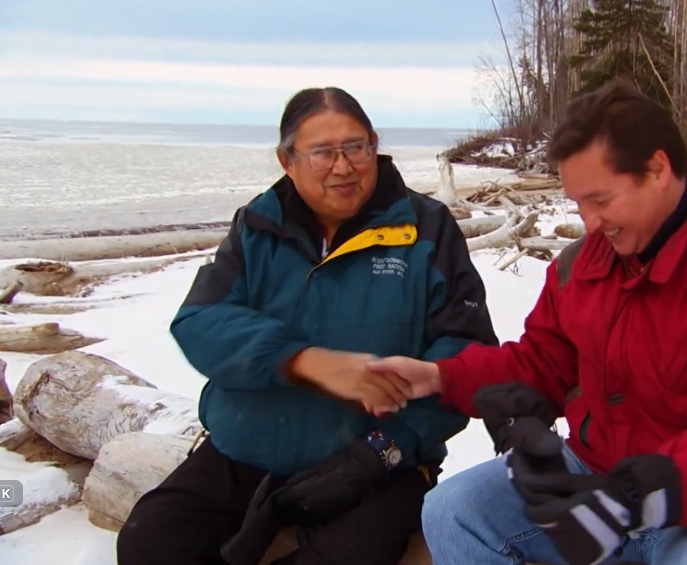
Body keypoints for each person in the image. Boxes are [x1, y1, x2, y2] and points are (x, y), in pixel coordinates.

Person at [369, 79, 687, 565]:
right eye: (577, 203)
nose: (589, 222)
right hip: (596, 471)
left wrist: (628, 500)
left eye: (601, 200)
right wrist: (440, 376)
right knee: (455, 510)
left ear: (657, 169)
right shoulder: (584, 264)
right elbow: (543, 362)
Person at [115, 86, 499, 565]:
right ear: (286, 160)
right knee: (151, 539)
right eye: (322, 152)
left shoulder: (425, 229)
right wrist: (301, 361)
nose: (343, 167)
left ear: (374, 145)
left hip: (374, 463)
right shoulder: (258, 226)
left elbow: (467, 351)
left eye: (356, 147)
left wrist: (386, 449)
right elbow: (201, 322)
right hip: (246, 451)